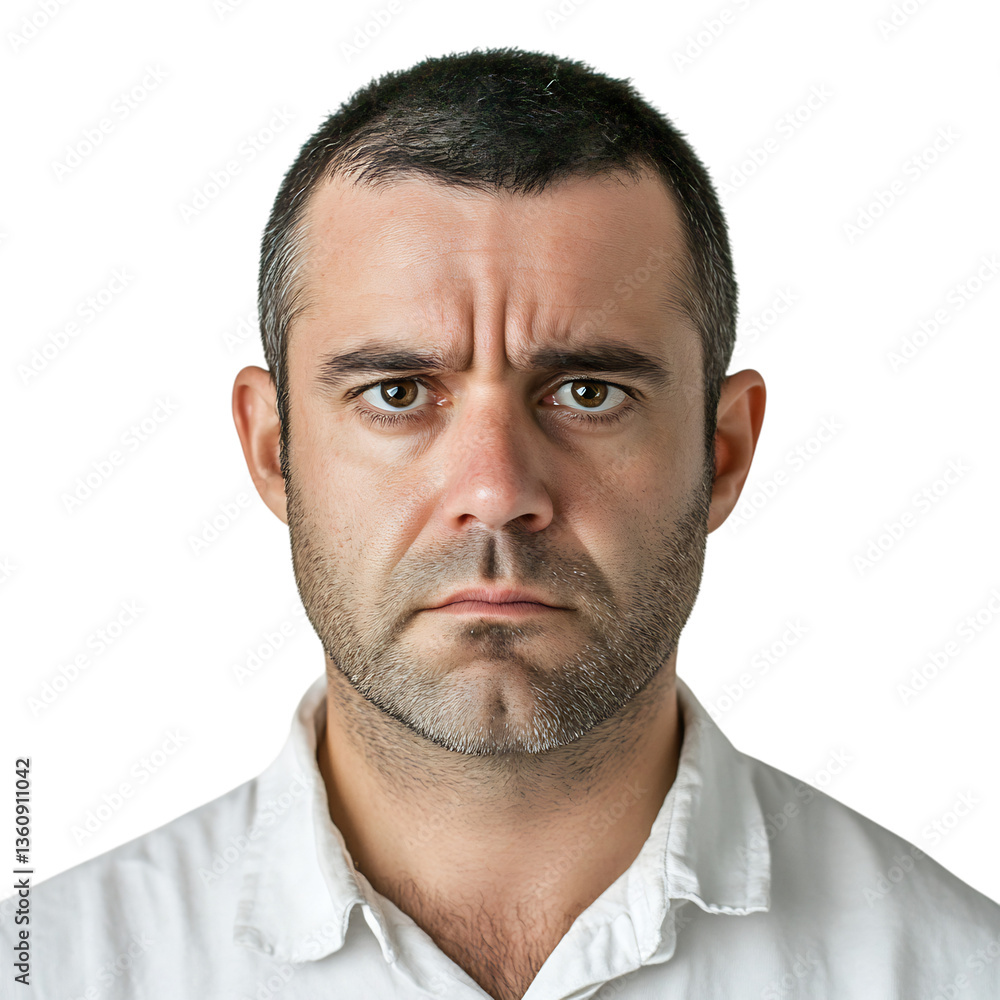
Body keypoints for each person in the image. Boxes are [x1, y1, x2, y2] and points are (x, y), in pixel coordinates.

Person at [6, 47, 999, 1000]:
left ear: (722, 453)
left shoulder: (959, 975)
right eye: (397, 391)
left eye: (587, 390)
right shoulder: (54, 974)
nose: (493, 489)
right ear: (274, 451)